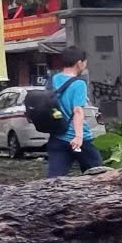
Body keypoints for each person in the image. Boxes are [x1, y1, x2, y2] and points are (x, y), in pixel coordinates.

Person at [42, 48, 102, 177]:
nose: (85, 65)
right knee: (98, 175)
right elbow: (78, 111)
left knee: (53, 180)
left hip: (57, 137)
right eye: (85, 62)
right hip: (79, 140)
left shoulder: (53, 79)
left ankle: (48, 197)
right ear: (79, 63)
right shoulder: (79, 84)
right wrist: (78, 137)